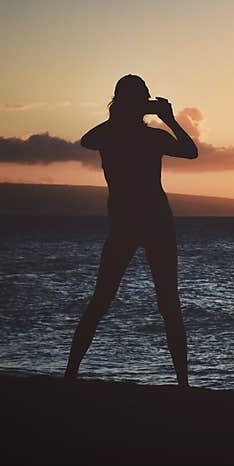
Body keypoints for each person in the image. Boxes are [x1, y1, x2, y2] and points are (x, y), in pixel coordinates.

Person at [65, 74, 198, 386]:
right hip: (150, 222)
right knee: (164, 303)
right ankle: (183, 384)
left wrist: (125, 116)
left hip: (132, 222)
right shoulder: (149, 137)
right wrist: (169, 120)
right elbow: (190, 151)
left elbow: (89, 139)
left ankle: (70, 374)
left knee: (107, 299)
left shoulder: (114, 136)